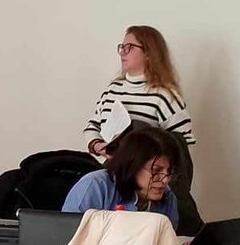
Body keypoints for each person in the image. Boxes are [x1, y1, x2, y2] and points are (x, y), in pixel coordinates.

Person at [82, 26, 196, 156]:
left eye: (129, 47)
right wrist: (98, 145)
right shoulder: (112, 90)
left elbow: (183, 143)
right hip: (108, 166)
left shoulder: (164, 96)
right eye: (122, 47)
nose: (122, 52)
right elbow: (92, 127)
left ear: (149, 53)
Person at [61, 125, 180, 226]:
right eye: (155, 170)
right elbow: (68, 237)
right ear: (132, 166)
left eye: (169, 170)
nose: (165, 179)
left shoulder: (168, 198)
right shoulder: (96, 186)